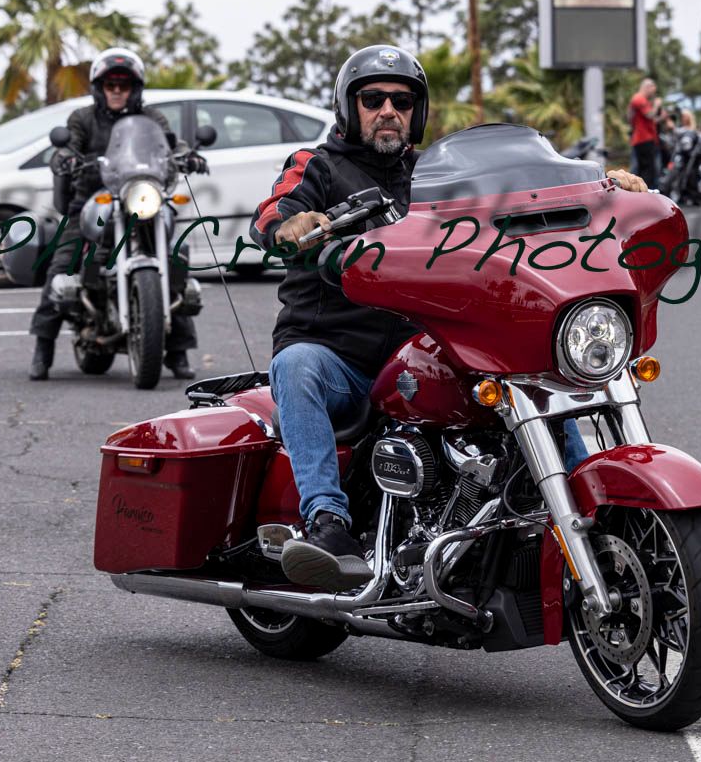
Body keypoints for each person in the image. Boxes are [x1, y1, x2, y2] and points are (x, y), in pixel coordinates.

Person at [251, 44, 652, 592]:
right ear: (350, 108)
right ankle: (327, 524)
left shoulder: (437, 175)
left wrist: (605, 189)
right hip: (338, 353)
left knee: (539, 380)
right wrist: (289, 227)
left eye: (402, 100)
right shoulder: (317, 164)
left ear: (417, 111)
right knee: (296, 366)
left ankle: (591, 512)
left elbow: (522, 203)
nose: (388, 110)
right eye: (373, 99)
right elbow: (276, 208)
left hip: (424, 344)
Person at [27, 47, 201, 381]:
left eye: (124, 84)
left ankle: (177, 350)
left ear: (135, 88)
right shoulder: (82, 119)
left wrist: (187, 155)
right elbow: (66, 145)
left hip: (141, 196)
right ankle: (43, 348)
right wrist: (63, 156)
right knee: (62, 263)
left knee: (172, 257)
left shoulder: (151, 118)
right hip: (93, 199)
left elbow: (170, 143)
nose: (117, 90)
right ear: (100, 88)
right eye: (111, 85)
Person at [627, 78, 661, 190]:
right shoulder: (639, 99)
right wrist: (656, 105)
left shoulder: (640, 99)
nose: (653, 93)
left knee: (646, 169)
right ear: (647, 87)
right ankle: (646, 193)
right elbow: (649, 115)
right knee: (647, 170)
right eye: (652, 89)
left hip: (644, 138)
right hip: (643, 139)